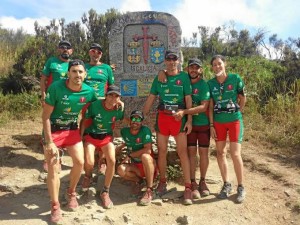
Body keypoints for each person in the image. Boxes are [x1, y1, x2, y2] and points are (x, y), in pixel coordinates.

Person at [42, 59, 96, 223]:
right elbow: (45, 117)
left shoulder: (88, 91)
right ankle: (55, 205)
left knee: (80, 163)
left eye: (80, 72)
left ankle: (71, 192)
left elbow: (98, 104)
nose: (77, 75)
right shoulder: (56, 87)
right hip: (54, 130)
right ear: (68, 73)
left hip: (72, 130)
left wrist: (118, 102)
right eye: (74, 71)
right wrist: (50, 142)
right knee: (53, 167)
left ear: (85, 74)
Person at [143, 50, 193, 205]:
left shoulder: (184, 77)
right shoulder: (159, 78)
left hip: (178, 119)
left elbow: (188, 99)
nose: (171, 62)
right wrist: (142, 115)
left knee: (182, 152)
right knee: (162, 151)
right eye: (168, 60)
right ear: (165, 61)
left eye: (174, 59)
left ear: (178, 61)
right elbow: (151, 98)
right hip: (163, 118)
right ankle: (163, 182)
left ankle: (188, 187)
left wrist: (189, 120)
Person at [161, 58, 211, 200]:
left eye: (197, 68)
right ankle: (193, 182)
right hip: (187, 125)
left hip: (202, 124)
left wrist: (184, 112)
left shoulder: (204, 85)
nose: (193, 70)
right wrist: (162, 71)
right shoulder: (183, 78)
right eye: (191, 68)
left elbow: (204, 107)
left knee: (204, 153)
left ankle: (203, 181)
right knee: (190, 153)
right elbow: (170, 71)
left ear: (200, 70)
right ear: (187, 69)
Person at [207, 55, 246, 203]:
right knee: (220, 152)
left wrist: (239, 112)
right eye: (214, 65)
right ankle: (226, 184)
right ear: (212, 67)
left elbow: (242, 97)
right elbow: (210, 106)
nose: (217, 67)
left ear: (225, 64)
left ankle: (241, 187)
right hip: (218, 122)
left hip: (234, 120)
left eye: (219, 64)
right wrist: (211, 125)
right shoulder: (210, 83)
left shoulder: (235, 78)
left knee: (235, 154)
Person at [80, 85, 124, 209]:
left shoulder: (119, 108)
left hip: (106, 137)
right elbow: (84, 120)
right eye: (111, 95)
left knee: (112, 160)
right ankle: (88, 176)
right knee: (89, 162)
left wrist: (123, 107)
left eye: (116, 96)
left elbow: (121, 119)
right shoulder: (95, 105)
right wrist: (80, 136)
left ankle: (105, 191)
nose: (113, 98)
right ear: (106, 96)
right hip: (91, 136)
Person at [40, 40, 73, 173]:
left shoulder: (73, 64)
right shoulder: (51, 62)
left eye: (68, 48)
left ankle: (58, 156)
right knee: (48, 125)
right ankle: (48, 158)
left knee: (64, 126)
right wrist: (43, 96)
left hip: (68, 101)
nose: (65, 49)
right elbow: (43, 79)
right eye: (62, 47)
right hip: (52, 100)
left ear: (72, 51)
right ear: (59, 49)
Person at [84, 43, 116, 175]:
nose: (95, 53)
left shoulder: (106, 68)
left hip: (103, 103)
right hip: (86, 103)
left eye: (99, 52)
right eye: (93, 51)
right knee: (87, 128)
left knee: (104, 129)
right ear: (89, 52)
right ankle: (87, 158)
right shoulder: (83, 67)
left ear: (101, 54)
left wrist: (115, 100)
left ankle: (102, 161)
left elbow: (112, 86)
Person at [116, 110, 157, 206]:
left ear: (141, 122)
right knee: (120, 169)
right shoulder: (124, 132)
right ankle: (139, 181)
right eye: (133, 118)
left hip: (148, 166)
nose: (135, 121)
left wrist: (130, 155)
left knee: (145, 156)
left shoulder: (145, 130)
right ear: (130, 120)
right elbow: (129, 140)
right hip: (136, 167)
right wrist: (120, 147)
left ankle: (149, 189)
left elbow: (148, 150)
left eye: (138, 119)